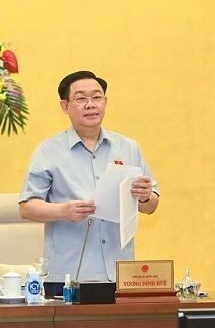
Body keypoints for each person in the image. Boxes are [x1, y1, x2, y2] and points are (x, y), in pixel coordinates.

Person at [19, 70, 160, 297]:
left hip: (120, 274)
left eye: (97, 97)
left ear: (105, 102)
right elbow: (26, 207)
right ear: (65, 106)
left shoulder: (128, 147)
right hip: (68, 276)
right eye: (81, 98)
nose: (90, 104)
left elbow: (151, 205)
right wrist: (64, 210)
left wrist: (144, 195)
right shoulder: (48, 151)